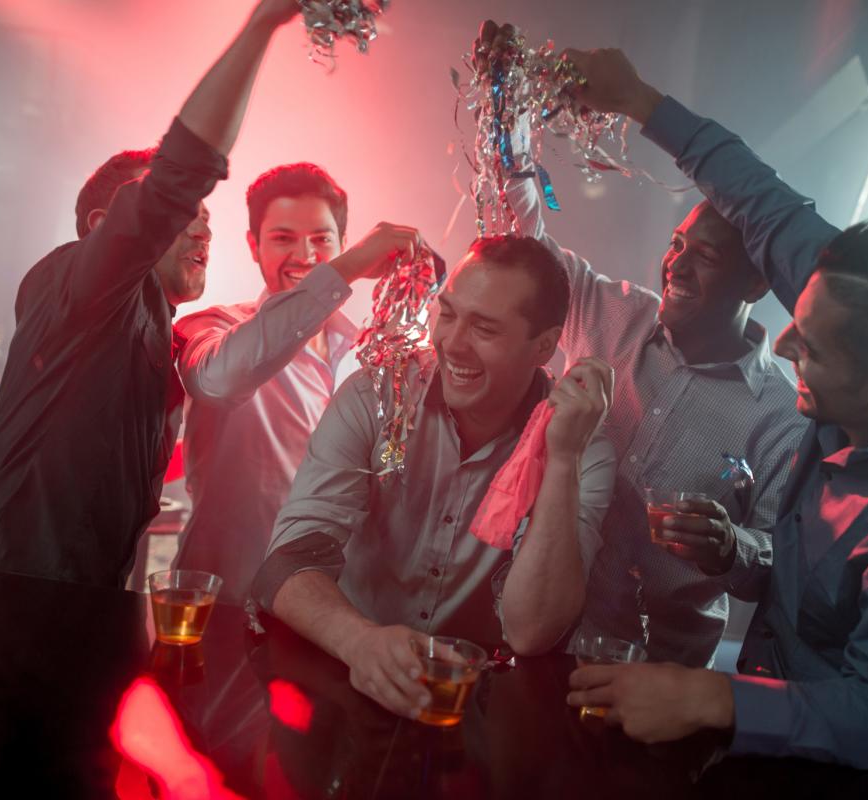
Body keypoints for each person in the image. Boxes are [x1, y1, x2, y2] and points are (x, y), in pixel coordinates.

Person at [562, 49, 868, 769]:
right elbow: (758, 200)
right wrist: (640, 99)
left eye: (808, 348)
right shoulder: (861, 299)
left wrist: (712, 699)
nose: (780, 345)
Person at [473, 22, 807, 668]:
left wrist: (731, 547)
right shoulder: (614, 310)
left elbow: (783, 560)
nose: (677, 264)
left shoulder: (782, 416)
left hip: (656, 675)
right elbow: (525, 235)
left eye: (706, 256)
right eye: (677, 245)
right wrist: (506, 102)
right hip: (533, 636)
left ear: (756, 282)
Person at [0, 0, 301, 588]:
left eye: (208, 220)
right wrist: (263, 23)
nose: (203, 231)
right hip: (17, 597)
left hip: (88, 602)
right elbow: (179, 172)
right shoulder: (75, 287)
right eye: (182, 215)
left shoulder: (153, 337)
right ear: (103, 228)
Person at [251, 235, 618, 720]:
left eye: (484, 328)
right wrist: (359, 641)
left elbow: (532, 631)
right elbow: (285, 561)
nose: (452, 343)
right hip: (344, 674)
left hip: (470, 706)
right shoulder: (375, 394)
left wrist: (563, 459)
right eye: (447, 313)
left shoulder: (582, 446)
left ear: (544, 346)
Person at [172, 162, 425, 604]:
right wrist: (346, 268)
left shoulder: (369, 355)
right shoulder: (213, 327)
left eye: (322, 239)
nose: (306, 255)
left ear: (342, 241)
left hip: (335, 609)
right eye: (283, 238)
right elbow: (217, 380)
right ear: (253, 246)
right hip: (227, 596)